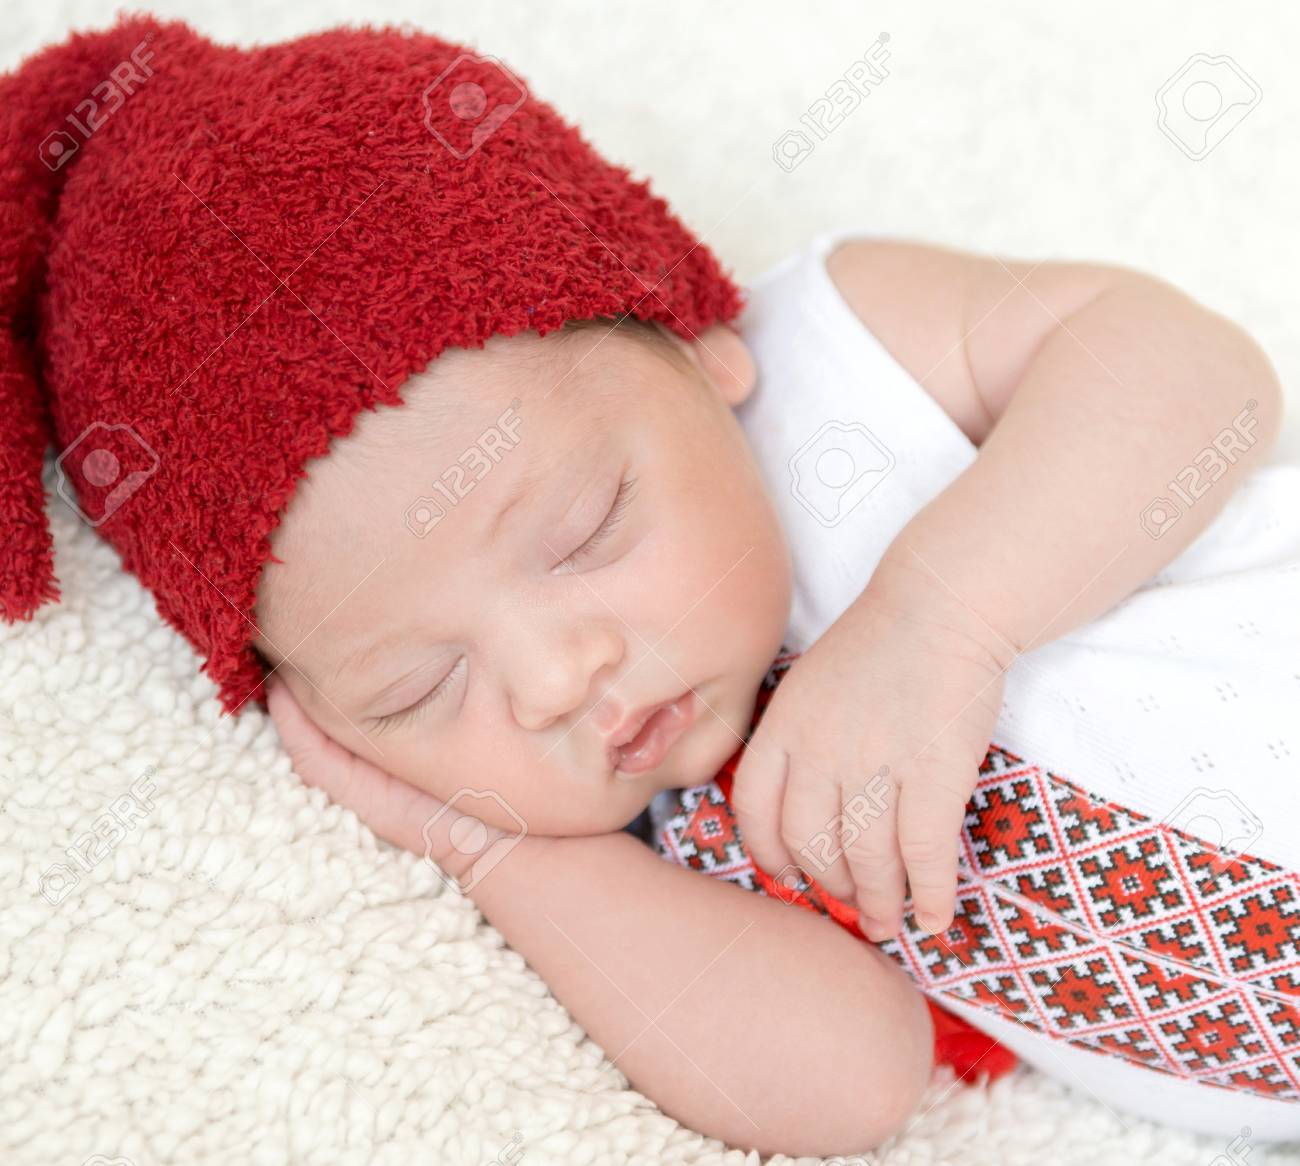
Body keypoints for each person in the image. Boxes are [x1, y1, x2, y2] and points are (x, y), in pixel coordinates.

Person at [3, 15, 1296, 1156]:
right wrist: (488, 846)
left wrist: (943, 616)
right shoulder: (669, 836)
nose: (558, 676)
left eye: (582, 531)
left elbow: (1196, 376)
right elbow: (853, 1082)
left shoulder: (843, 364)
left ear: (690, 336)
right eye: (420, 689)